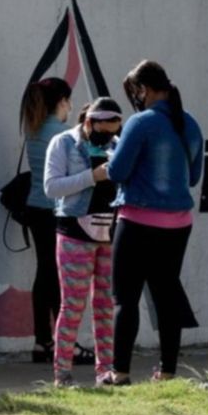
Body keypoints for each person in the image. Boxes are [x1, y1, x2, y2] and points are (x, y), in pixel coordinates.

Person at [106, 61, 204, 384]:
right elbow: (193, 177)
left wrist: (117, 151)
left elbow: (116, 172)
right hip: (178, 226)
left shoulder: (140, 123)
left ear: (143, 90)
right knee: (167, 295)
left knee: (126, 299)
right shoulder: (189, 124)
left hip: (137, 223)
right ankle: (167, 371)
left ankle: (119, 372)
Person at [43, 99, 123, 388]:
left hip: (109, 231)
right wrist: (92, 176)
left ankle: (106, 371)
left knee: (104, 305)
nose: (108, 137)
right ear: (88, 123)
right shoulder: (63, 143)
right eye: (103, 130)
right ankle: (62, 373)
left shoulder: (117, 143)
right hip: (74, 230)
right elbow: (51, 187)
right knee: (73, 304)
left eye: (114, 130)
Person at [20, 78, 74, 365]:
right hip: (58, 210)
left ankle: (43, 340)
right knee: (61, 277)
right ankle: (63, 341)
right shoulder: (65, 134)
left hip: (35, 207)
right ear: (62, 101)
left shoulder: (33, 130)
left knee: (45, 273)